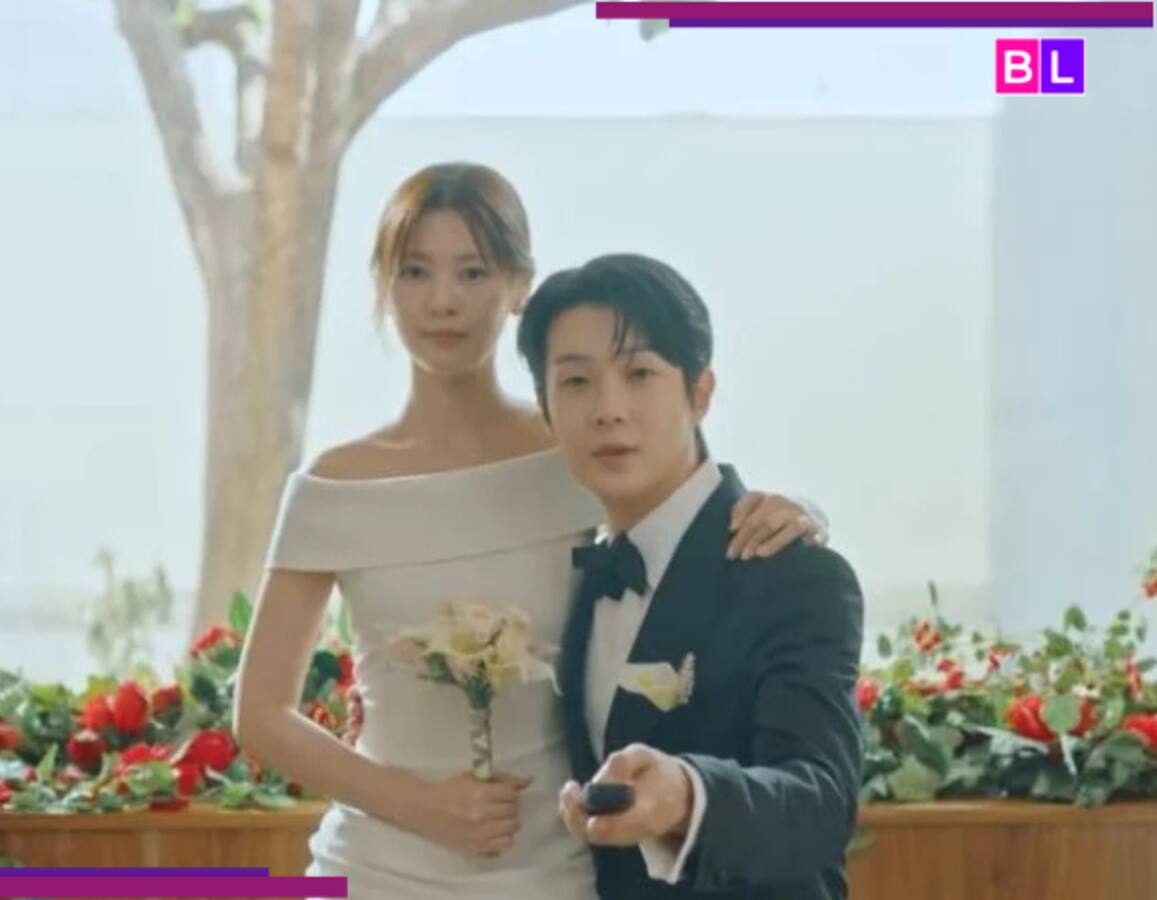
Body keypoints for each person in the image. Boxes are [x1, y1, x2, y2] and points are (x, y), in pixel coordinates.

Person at [232, 163, 826, 900]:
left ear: (519, 285)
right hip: (377, 865)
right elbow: (261, 714)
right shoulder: (333, 484)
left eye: (473, 271)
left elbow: (685, 520)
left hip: (560, 861)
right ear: (384, 286)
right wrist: (421, 804)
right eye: (414, 271)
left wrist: (800, 511)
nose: (443, 300)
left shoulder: (575, 450)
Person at [515, 254, 863, 899]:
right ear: (545, 410)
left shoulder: (794, 572)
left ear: (700, 393)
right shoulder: (579, 573)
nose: (609, 410)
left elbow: (820, 803)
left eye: (640, 374)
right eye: (576, 381)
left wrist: (687, 796)